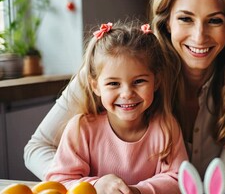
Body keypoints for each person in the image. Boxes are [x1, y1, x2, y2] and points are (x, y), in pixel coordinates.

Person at [24, 0, 225, 193]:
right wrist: (91, 186)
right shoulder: (121, 65)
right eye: (185, 18)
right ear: (167, 21)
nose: (199, 36)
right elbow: (37, 148)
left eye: (214, 21)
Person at [44, 21, 188, 194]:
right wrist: (96, 185)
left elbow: (178, 179)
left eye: (139, 81)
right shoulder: (81, 129)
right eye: (113, 83)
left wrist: (137, 191)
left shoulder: (166, 127)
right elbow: (58, 182)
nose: (127, 93)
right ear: (96, 86)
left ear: (156, 81)